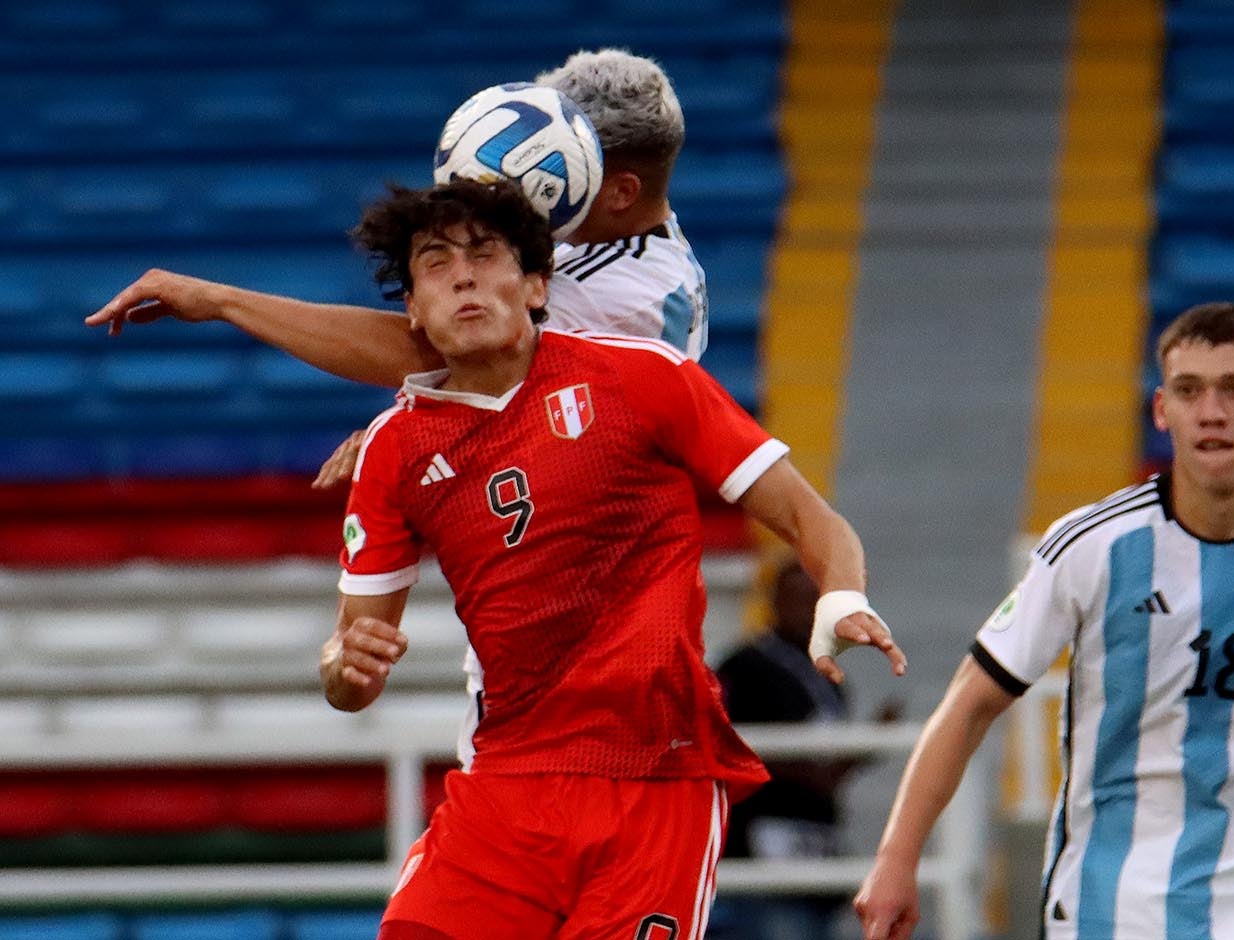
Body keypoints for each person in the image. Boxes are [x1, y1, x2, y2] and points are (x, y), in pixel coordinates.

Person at [245, 178, 896, 939]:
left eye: (485, 255)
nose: (463, 277)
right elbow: (351, 675)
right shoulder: (395, 448)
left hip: (657, 779)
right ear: (413, 309)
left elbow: (811, 519)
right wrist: (342, 664)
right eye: (436, 262)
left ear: (536, 286)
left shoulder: (640, 376)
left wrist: (842, 595)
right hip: (505, 786)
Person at [854, 302, 1234, 940]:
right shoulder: (1090, 546)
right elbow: (967, 707)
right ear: (1162, 410)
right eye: (1190, 391)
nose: (1212, 412)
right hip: (1109, 907)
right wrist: (896, 860)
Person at [85, 48, 710, 395]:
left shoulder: (634, 295)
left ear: (620, 191)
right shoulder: (593, 239)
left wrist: (220, 301)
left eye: (543, 169)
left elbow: (429, 351)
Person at [711, 560, 902, 940]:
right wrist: (809, 772)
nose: (806, 610)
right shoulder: (743, 666)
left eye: (814, 600)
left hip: (815, 841)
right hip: (759, 846)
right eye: (796, 599)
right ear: (774, 602)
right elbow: (725, 747)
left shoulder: (827, 677)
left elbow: (826, 776)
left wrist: (862, 751)